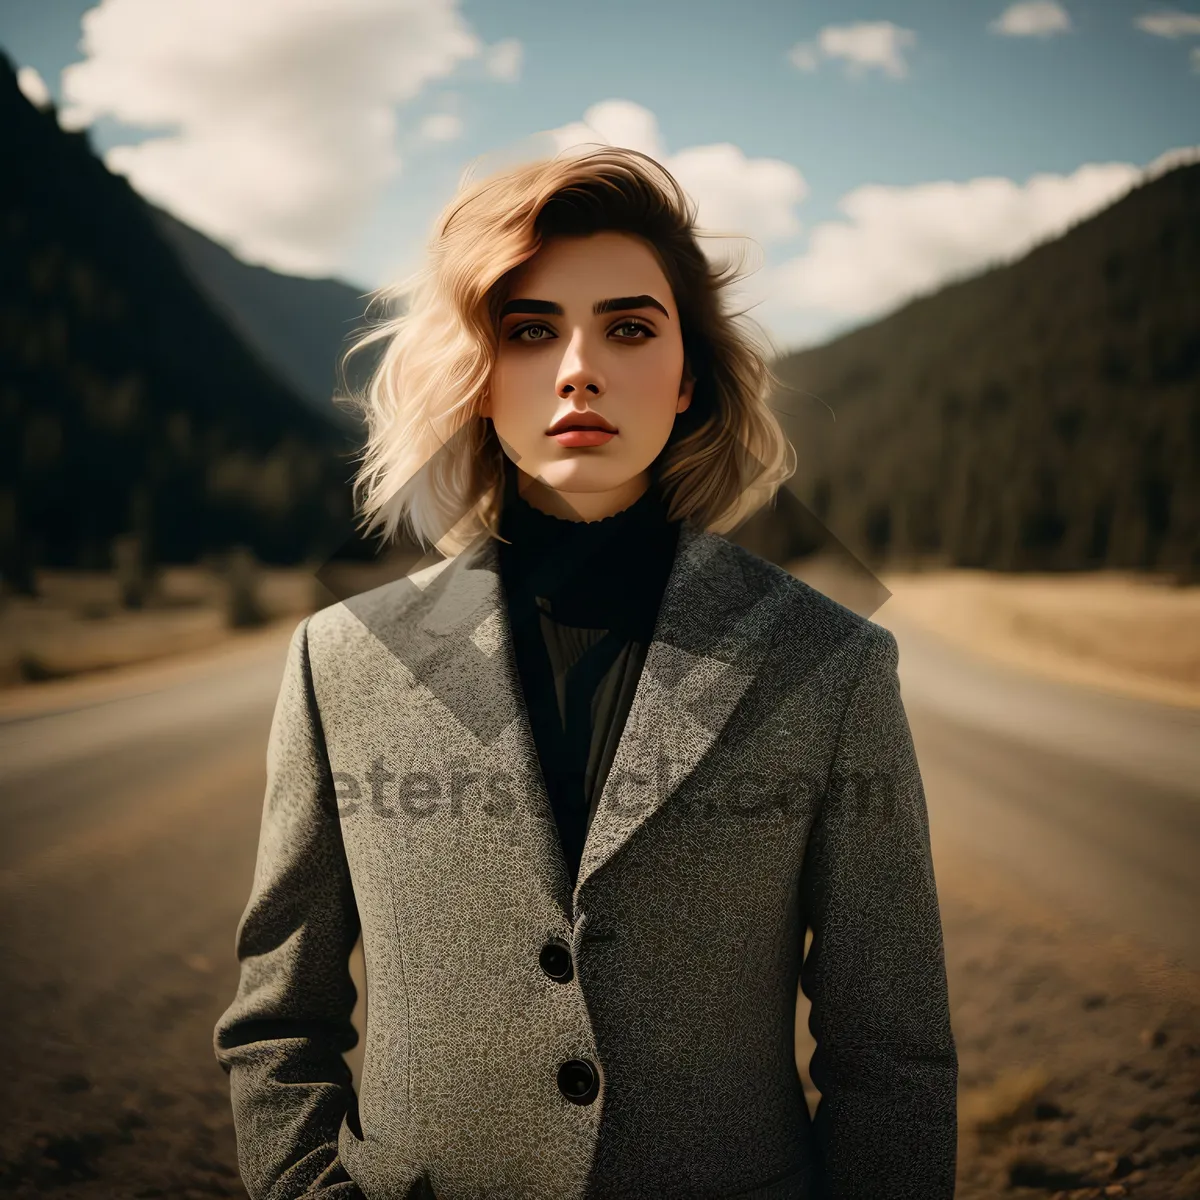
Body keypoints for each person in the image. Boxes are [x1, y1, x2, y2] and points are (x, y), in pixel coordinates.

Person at [213, 145, 958, 1200]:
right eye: (529, 330)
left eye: (629, 327)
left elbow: (893, 1056)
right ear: (479, 372)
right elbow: (278, 1022)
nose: (579, 367)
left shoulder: (830, 663)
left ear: (687, 373)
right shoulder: (341, 661)